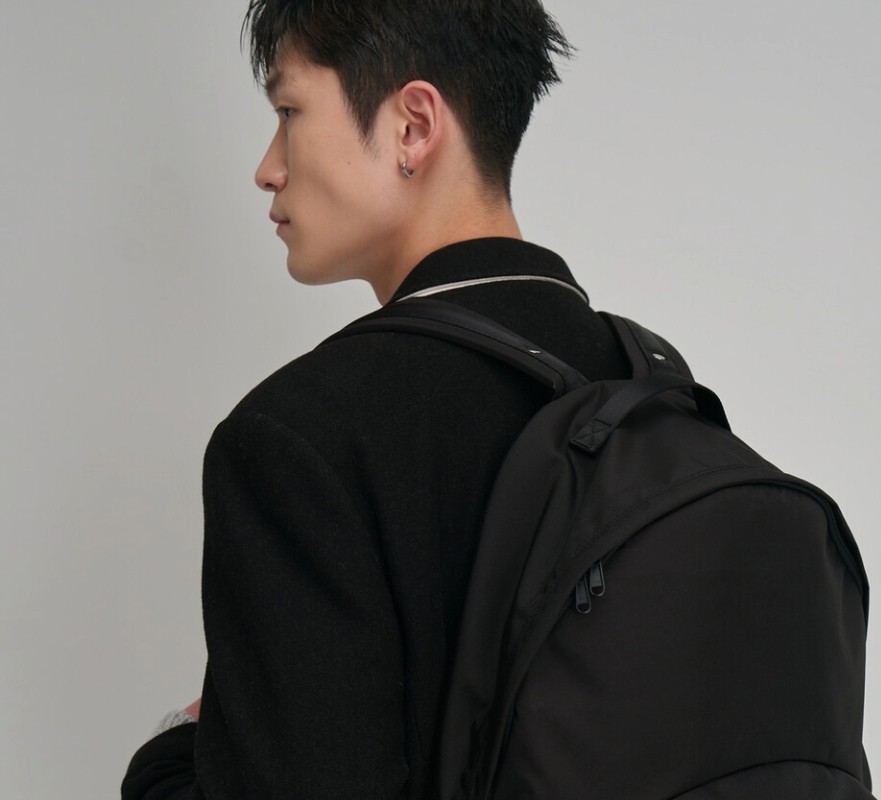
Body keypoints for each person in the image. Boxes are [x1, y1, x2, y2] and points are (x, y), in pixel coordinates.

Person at [123, 1, 682, 797]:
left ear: (413, 126)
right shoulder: (657, 387)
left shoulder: (297, 436)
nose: (268, 168)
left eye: (289, 113)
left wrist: (172, 753)